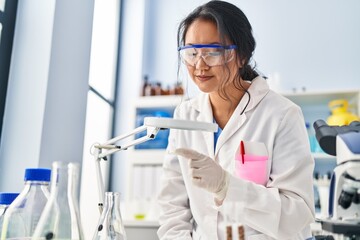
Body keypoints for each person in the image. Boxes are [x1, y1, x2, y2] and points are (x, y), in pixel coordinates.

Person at [157, 1, 315, 239]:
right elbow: (172, 207)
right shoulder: (185, 116)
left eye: (212, 52)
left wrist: (226, 186)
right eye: (191, 53)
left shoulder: (282, 115)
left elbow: (296, 213)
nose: (199, 65)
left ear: (241, 55)